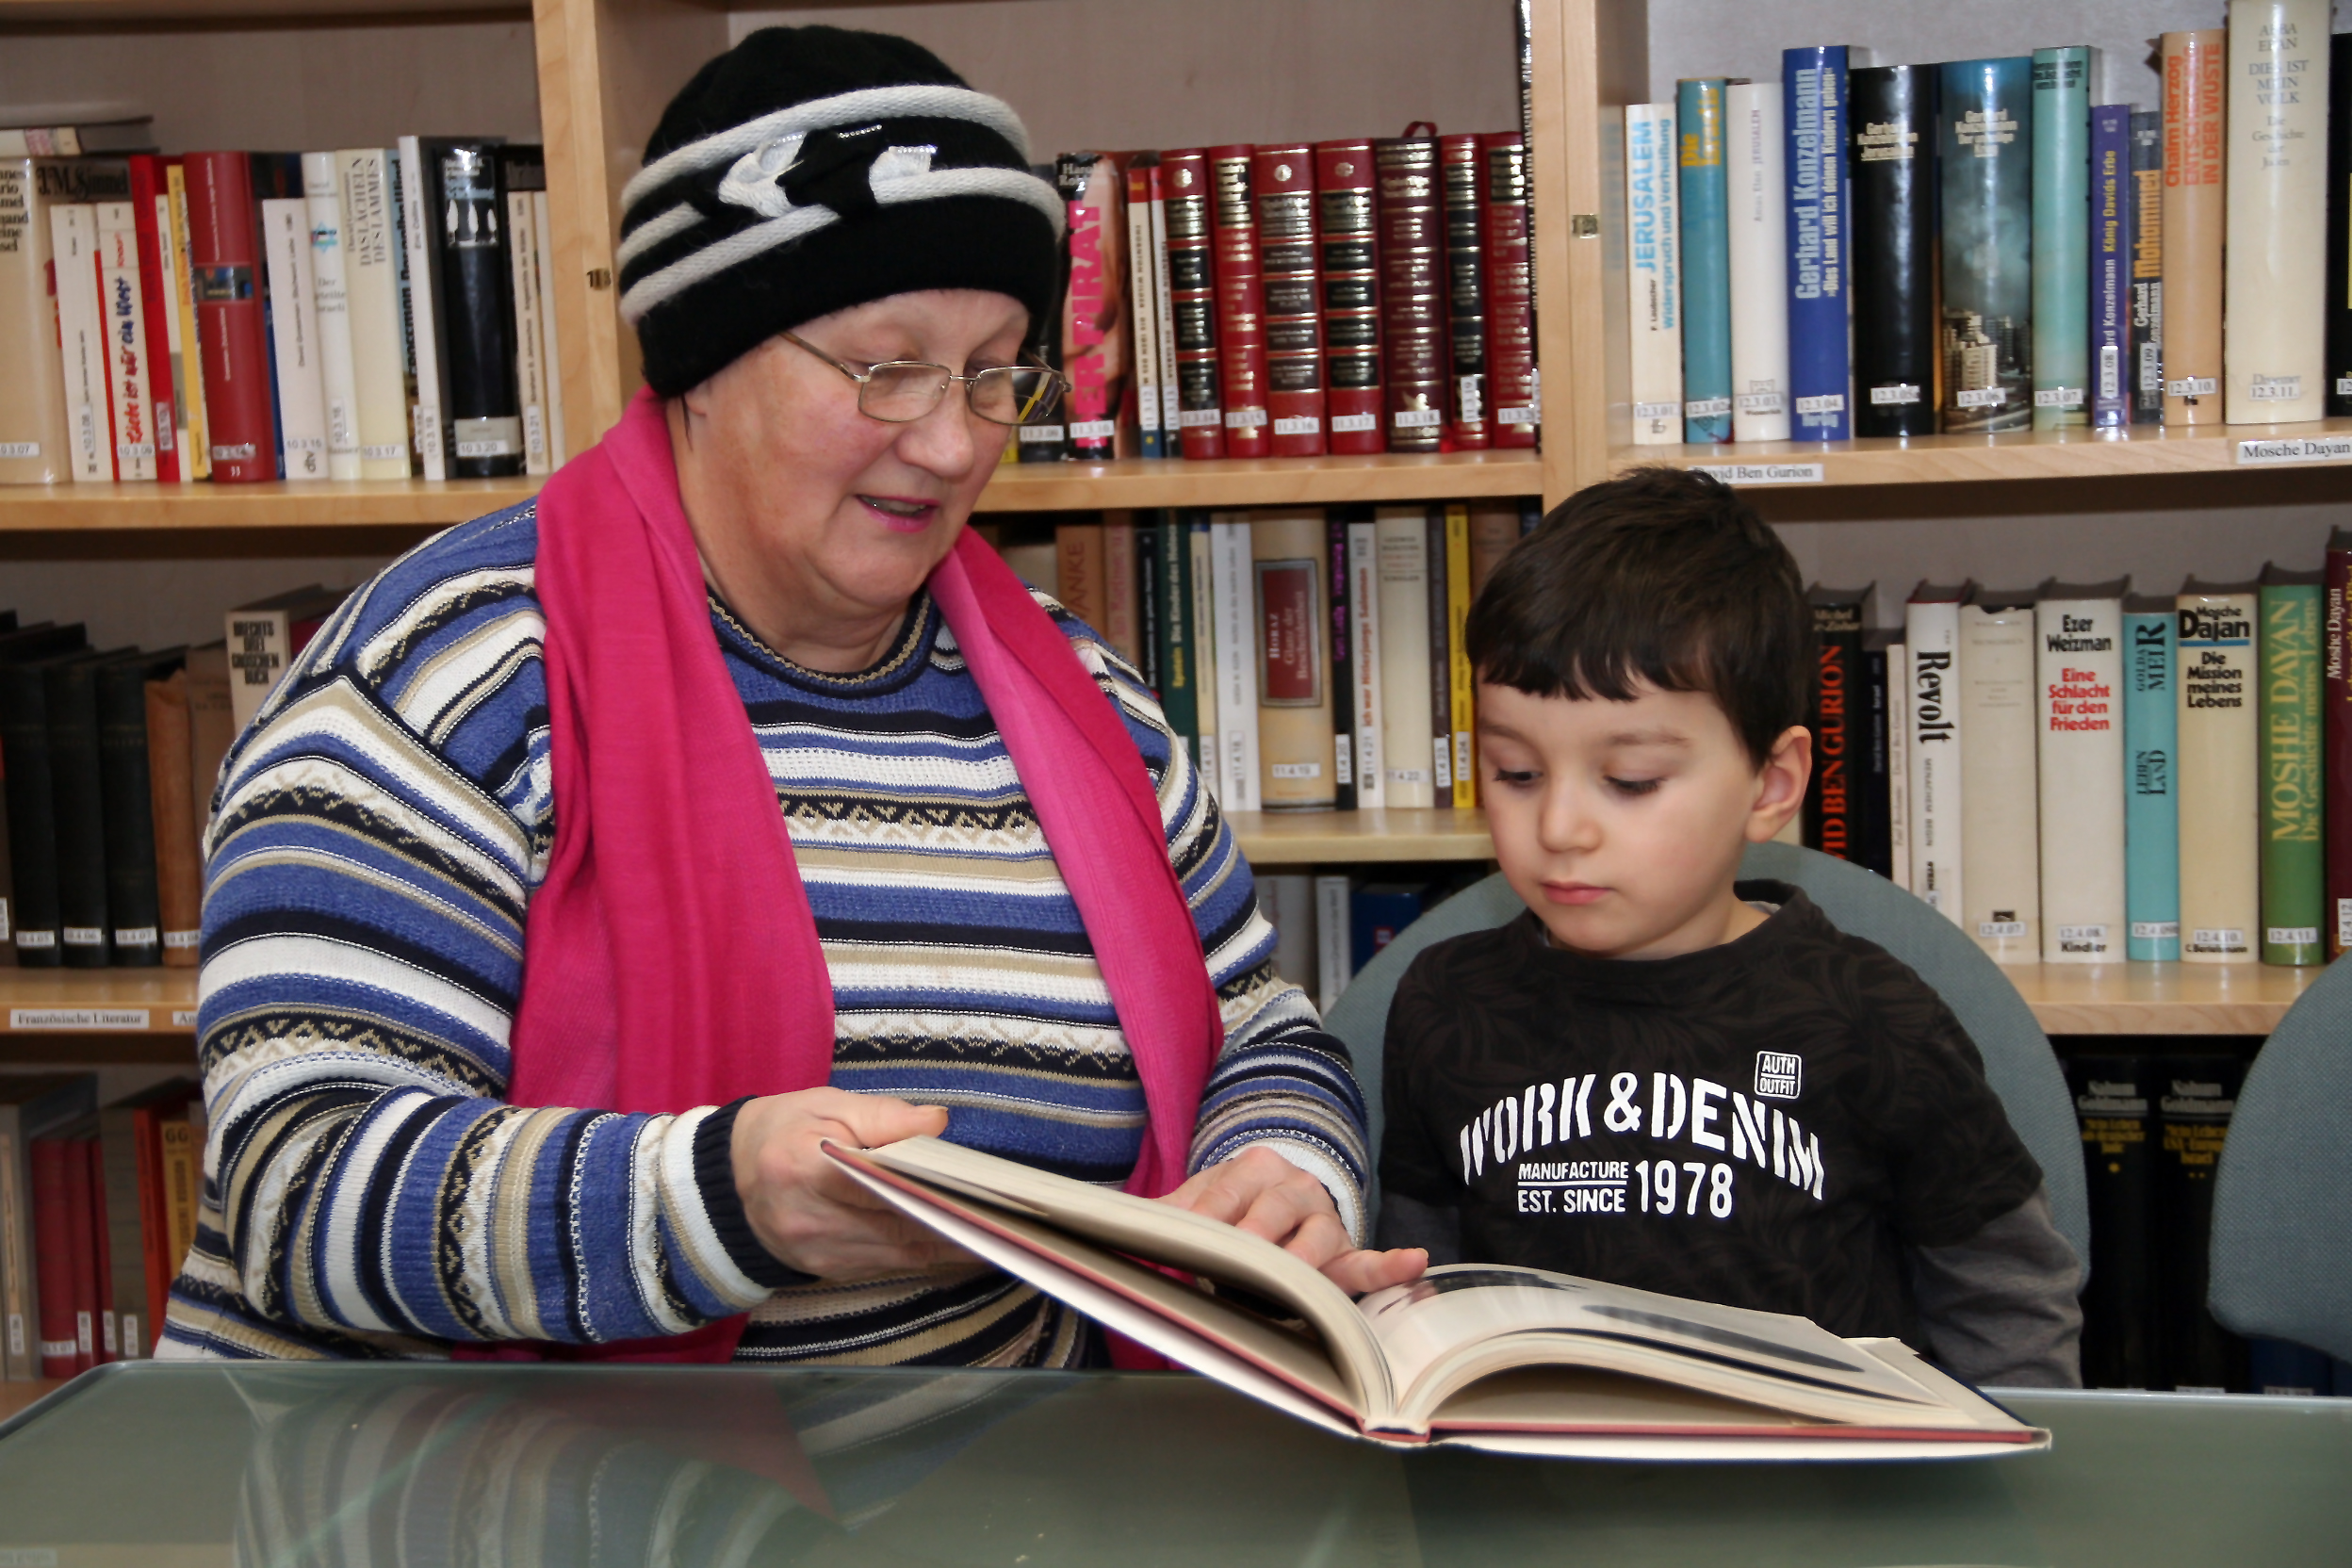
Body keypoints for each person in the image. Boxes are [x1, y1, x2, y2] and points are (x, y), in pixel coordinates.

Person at [164, 24, 1418, 1367]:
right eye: (886, 368)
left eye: (998, 374)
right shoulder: (450, 671)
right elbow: (304, 1188)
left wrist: (1284, 1165)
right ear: (706, 364)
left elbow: (1260, 1027)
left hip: (999, 1497)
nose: (950, 441)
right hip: (485, 1506)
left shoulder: (1084, 701)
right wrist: (724, 1201)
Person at [1373, 468, 2082, 1387]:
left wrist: (2014, 1500)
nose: (1560, 827)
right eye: (1515, 771)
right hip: (1534, 1506)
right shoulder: (1443, 1004)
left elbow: (2010, 1304)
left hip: (1821, 1509)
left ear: (1772, 784)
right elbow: (1419, 1288)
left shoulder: (1872, 1018)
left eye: (1629, 780)